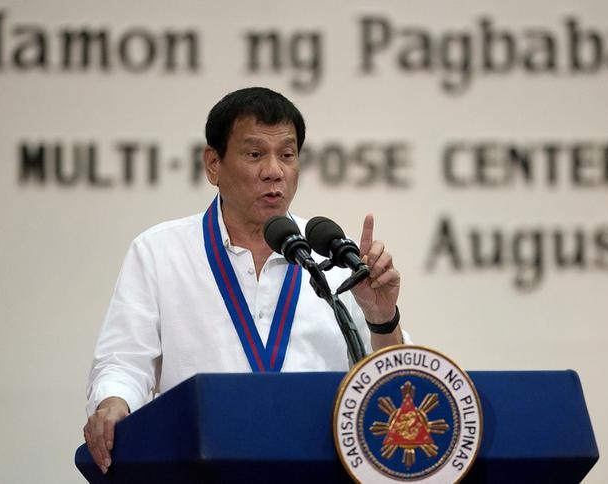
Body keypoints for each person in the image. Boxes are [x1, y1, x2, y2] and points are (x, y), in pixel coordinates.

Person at [82, 87, 407, 474]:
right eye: (255, 154)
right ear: (213, 164)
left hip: (320, 469)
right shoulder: (160, 252)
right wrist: (113, 402)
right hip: (199, 468)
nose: (275, 170)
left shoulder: (335, 256)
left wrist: (381, 317)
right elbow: (124, 362)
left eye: (287, 155)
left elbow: (394, 386)